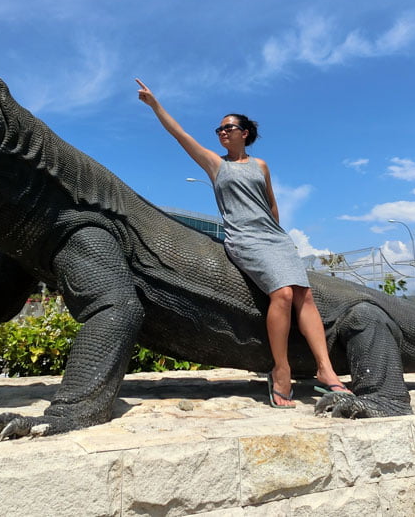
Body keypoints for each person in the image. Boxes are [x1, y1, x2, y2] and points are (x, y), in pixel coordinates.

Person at [135, 78, 350, 407]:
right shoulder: (215, 164)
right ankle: (281, 370)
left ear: (244, 132)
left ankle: (326, 371)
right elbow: (180, 134)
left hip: (274, 238)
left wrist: (279, 236)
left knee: (304, 297)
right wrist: (155, 105)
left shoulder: (260, 165)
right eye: (219, 129)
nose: (222, 133)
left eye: (228, 128)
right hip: (244, 237)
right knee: (283, 292)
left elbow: (271, 203)